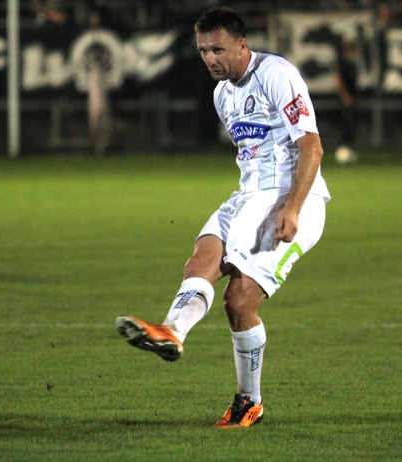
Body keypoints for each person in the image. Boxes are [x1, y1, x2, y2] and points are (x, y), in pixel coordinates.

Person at [116, 7, 330, 428]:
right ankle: (173, 331)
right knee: (200, 261)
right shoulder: (221, 95)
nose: (210, 58)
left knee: (239, 299)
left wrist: (292, 209)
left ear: (242, 45)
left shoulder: (276, 74)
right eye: (203, 51)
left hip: (292, 199)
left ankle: (249, 402)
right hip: (248, 196)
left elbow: (312, 147)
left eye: (218, 49)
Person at [334, 36, 361, 164]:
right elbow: (338, 80)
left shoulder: (352, 63)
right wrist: (345, 96)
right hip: (346, 99)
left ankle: (348, 150)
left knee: (352, 125)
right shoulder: (342, 62)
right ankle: (342, 151)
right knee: (346, 124)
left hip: (352, 98)